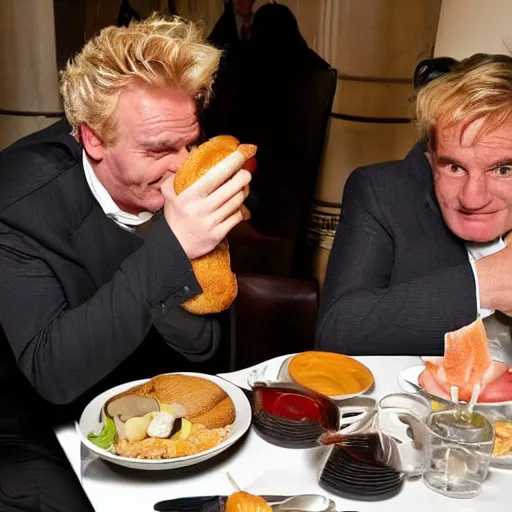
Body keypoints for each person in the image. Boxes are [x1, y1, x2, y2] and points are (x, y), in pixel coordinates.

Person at [0, 15, 251, 511]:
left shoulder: (184, 180)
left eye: (189, 143)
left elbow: (205, 347)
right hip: (30, 425)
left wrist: (188, 252)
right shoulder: (17, 203)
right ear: (93, 139)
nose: (182, 167)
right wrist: (173, 246)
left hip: (150, 400)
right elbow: (53, 373)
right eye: (159, 149)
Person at [316, 53, 512, 358]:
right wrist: (485, 284)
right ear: (431, 159)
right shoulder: (384, 192)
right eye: (454, 167)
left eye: (503, 170)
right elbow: (337, 331)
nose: (473, 199)